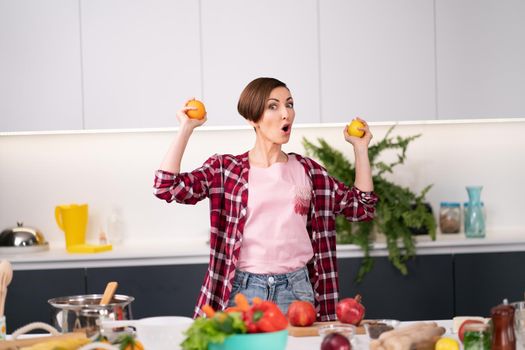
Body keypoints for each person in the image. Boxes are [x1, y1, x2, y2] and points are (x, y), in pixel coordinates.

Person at [153, 77, 378, 321]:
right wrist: (185, 128)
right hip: (242, 291)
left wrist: (360, 147)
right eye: (274, 106)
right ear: (252, 119)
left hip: (297, 290)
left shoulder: (308, 171)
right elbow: (167, 186)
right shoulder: (226, 170)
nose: (286, 114)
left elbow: (362, 207)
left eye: (289, 104)